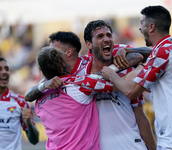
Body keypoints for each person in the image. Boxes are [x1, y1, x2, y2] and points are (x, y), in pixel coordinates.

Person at [25, 30, 155, 149]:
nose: (51, 54)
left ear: (68, 52)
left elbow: (28, 95)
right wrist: (140, 70)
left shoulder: (42, 93)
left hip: (128, 142)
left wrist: (124, 51)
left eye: (54, 51)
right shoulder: (74, 83)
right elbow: (123, 82)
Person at [101, 5, 172, 150]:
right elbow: (151, 52)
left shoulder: (162, 53)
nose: (140, 28)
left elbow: (131, 91)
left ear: (151, 27)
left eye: (141, 23)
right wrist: (128, 49)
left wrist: (111, 74)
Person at [77, 19, 156, 150]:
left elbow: (140, 116)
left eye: (109, 35)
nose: (107, 39)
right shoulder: (81, 71)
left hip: (132, 145)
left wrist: (126, 50)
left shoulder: (125, 64)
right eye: (100, 36)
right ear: (89, 44)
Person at [34, 46, 114, 150]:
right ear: (62, 64)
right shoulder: (79, 84)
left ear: (41, 70)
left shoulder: (38, 99)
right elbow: (114, 83)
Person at [0, 57, 39, 150]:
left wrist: (29, 123)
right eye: (0, 69)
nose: (4, 72)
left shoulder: (20, 102)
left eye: (6, 69)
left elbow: (34, 140)